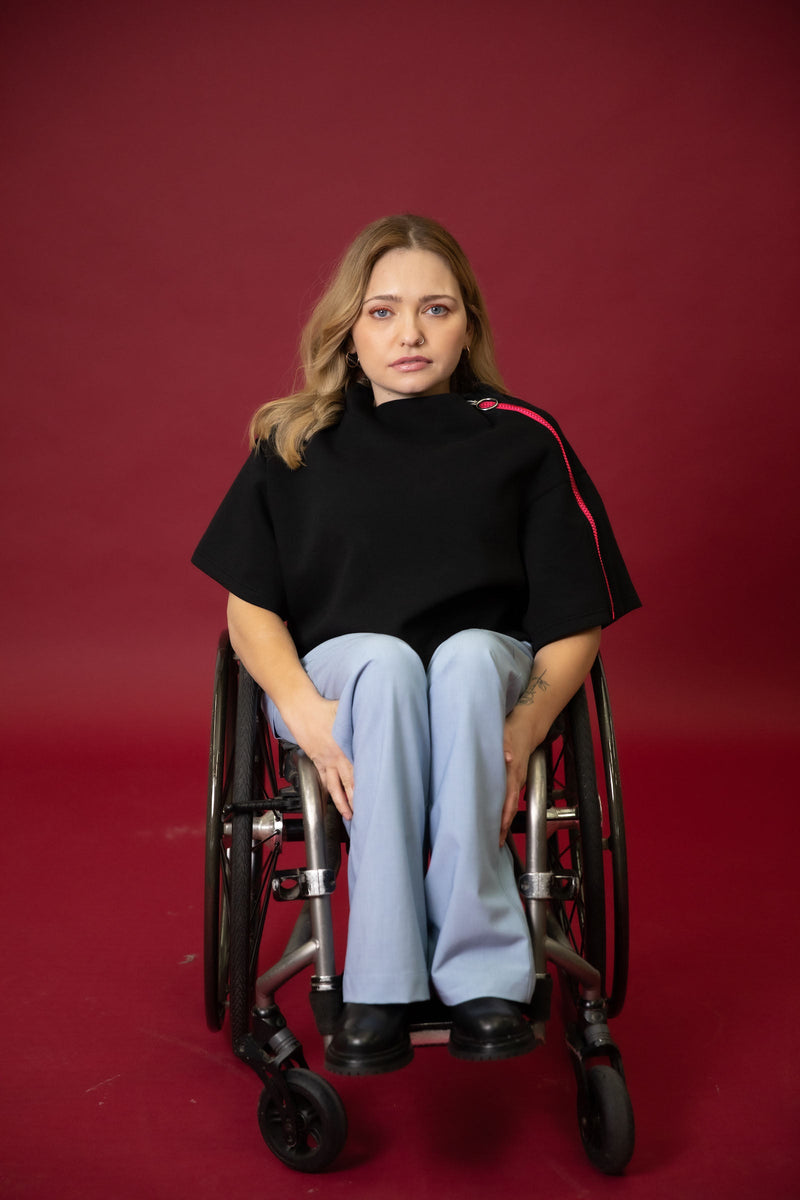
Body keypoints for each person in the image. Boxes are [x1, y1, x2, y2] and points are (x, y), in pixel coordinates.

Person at [192, 214, 640, 1077]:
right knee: (388, 661)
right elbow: (247, 612)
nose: (410, 333)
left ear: (467, 322)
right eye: (383, 311)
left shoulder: (521, 438)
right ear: (349, 333)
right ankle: (381, 981)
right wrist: (303, 716)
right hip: (345, 689)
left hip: (490, 685)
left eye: (435, 309)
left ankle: (486, 976)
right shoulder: (296, 443)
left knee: (469, 652)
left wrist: (527, 726)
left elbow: (573, 617)